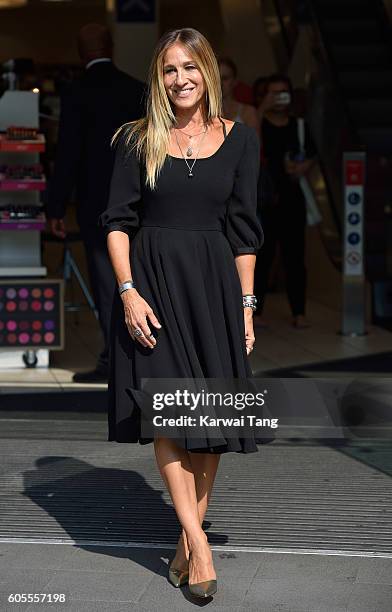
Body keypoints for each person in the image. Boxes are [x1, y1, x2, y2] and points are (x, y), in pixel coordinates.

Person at [99, 28, 266, 600]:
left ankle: (184, 543)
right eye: (170, 70)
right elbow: (116, 222)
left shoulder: (241, 140)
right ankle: (199, 546)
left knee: (209, 420)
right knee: (168, 413)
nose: (181, 80)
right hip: (153, 285)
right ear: (158, 78)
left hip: (215, 289)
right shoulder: (136, 138)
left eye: (190, 68)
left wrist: (245, 306)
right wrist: (128, 293)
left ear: (209, 73)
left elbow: (244, 233)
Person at [47, 23, 146, 382]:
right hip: (139, 203)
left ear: (79, 52)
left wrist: (55, 207)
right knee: (141, 279)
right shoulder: (137, 89)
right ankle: (146, 353)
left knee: (109, 283)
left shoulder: (76, 92)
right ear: (111, 47)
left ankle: (114, 361)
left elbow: (68, 155)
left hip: (96, 205)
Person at [254, 74, 316, 329]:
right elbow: (248, 141)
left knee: (295, 257)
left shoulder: (299, 126)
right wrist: (262, 109)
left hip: (292, 198)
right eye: (274, 93)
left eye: (284, 92)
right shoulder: (260, 123)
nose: (280, 98)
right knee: (262, 257)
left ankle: (298, 312)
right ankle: (255, 312)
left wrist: (302, 167)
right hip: (265, 199)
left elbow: (312, 154)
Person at [218, 56, 259, 131]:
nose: (220, 83)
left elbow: (255, 142)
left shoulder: (248, 112)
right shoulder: (204, 114)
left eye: (225, 78)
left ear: (235, 81)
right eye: (216, 78)